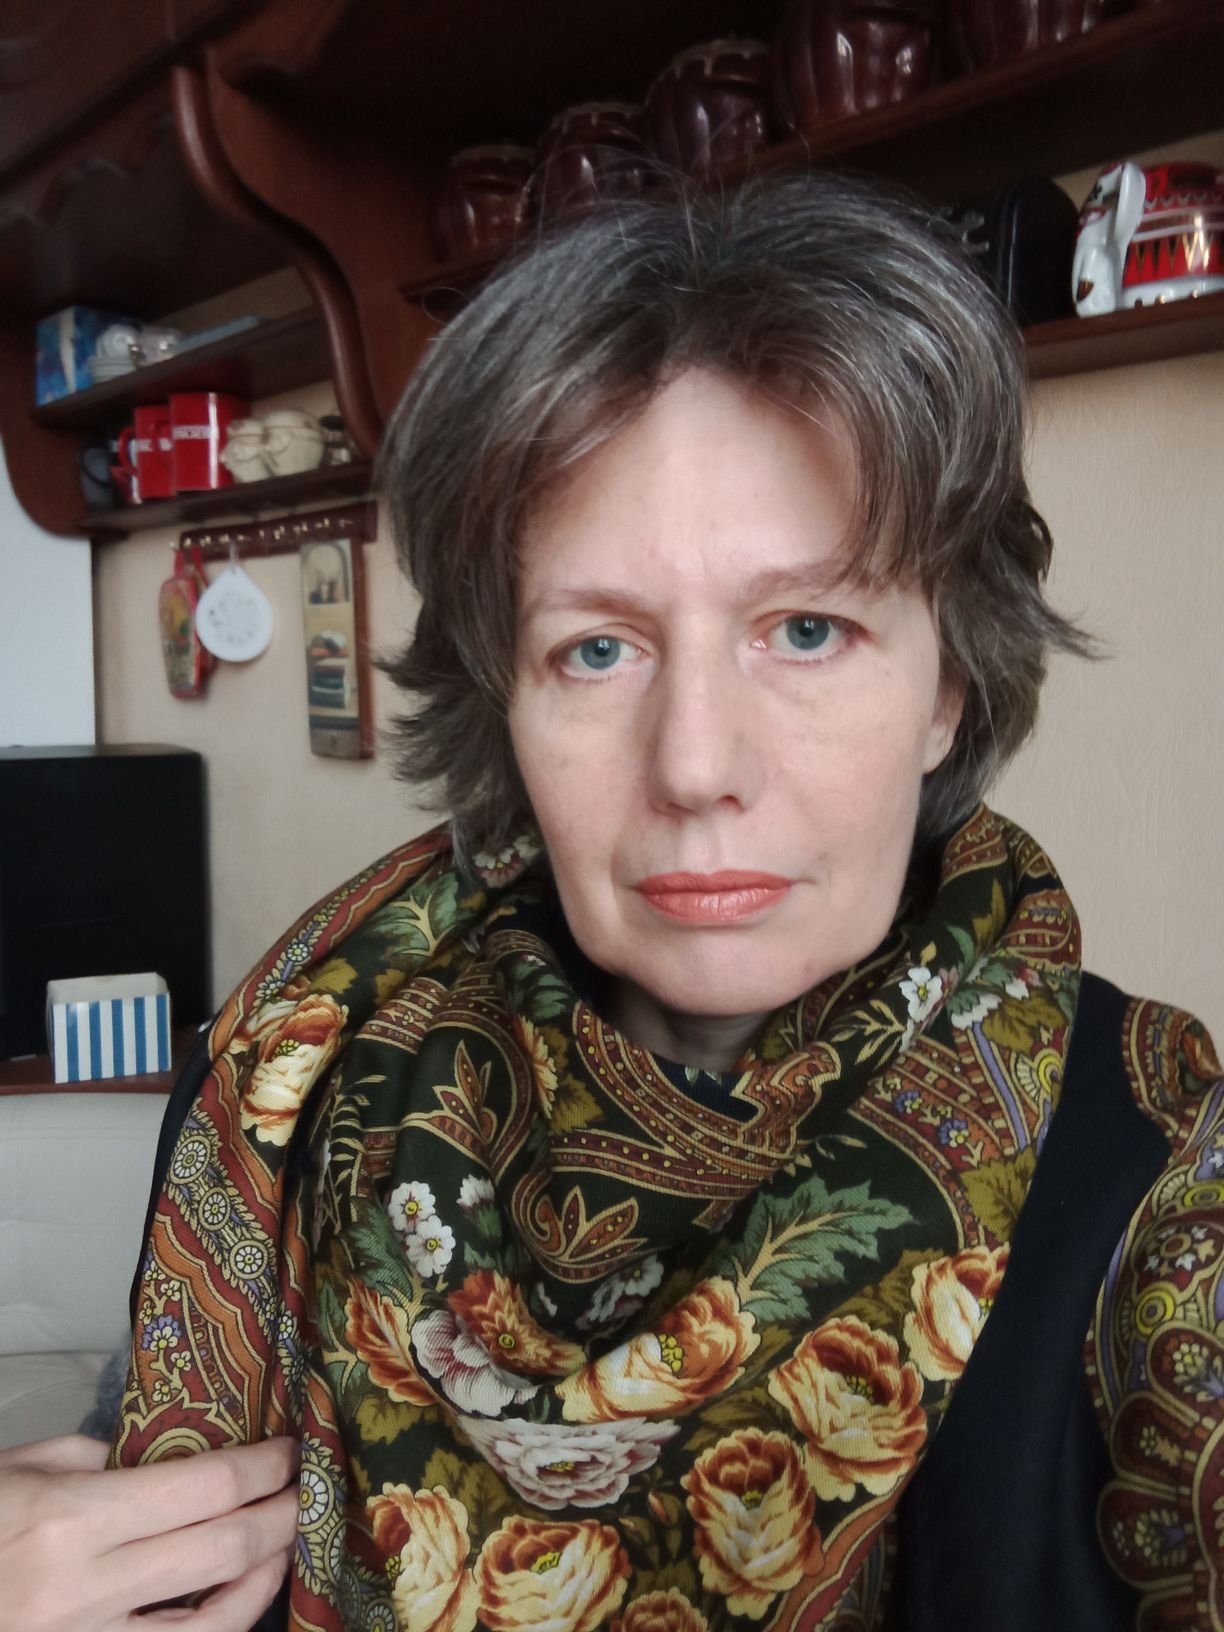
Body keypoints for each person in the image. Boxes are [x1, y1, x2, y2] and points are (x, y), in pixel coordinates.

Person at [13, 172, 1221, 1630]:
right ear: (504, 700)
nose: (697, 766)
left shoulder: (1162, 1173)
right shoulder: (295, 1087)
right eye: (596, 649)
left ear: (948, 688)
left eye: (807, 629)